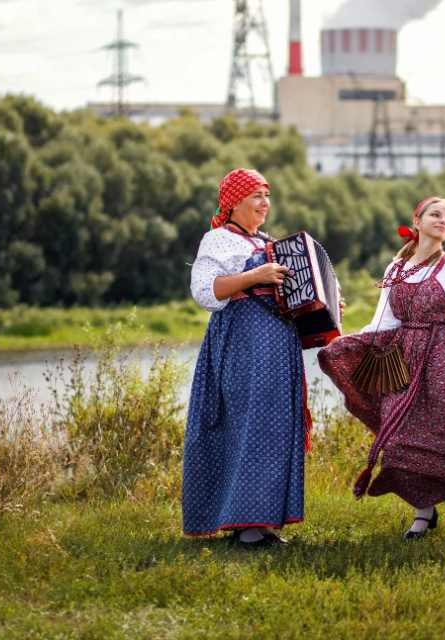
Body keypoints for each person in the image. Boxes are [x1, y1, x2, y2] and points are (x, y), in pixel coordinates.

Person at [318, 197, 445, 540]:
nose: (443, 220)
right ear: (418, 219)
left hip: (444, 354)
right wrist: (343, 345)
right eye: (435, 214)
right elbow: (382, 321)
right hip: (401, 359)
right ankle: (424, 513)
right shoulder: (396, 268)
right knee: (401, 437)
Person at [182, 168, 310, 547]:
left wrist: (323, 300)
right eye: (257, 196)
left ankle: (264, 520)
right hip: (241, 345)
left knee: (276, 426)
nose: (265, 204)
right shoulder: (217, 240)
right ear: (234, 201)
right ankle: (245, 524)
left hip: (277, 346)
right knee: (249, 424)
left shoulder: (271, 243)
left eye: (267, 196)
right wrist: (255, 275)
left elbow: (291, 293)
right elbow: (206, 291)